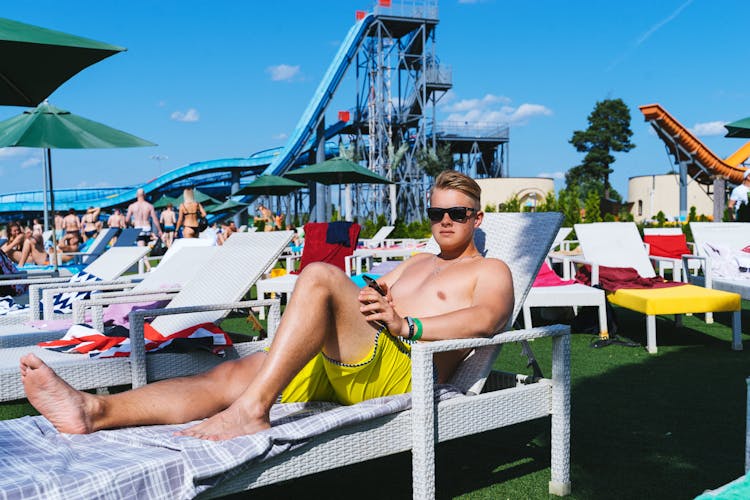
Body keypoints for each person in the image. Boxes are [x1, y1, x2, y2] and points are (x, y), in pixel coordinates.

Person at [19, 170, 513, 441]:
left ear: (477, 217)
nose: (445, 221)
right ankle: (94, 410)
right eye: (436, 212)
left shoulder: (492, 271)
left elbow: (485, 319)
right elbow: (373, 287)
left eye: (457, 213)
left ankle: (253, 412)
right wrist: (371, 292)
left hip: (407, 369)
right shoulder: (416, 260)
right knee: (233, 374)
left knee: (319, 274)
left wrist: (408, 323)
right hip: (360, 356)